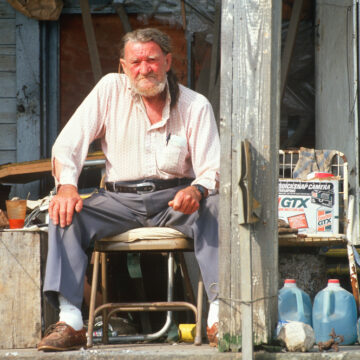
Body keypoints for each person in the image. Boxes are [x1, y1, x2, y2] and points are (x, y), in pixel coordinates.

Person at [37, 27, 220, 352]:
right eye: (135, 62)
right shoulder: (110, 89)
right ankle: (71, 321)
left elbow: (211, 167)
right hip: (118, 200)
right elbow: (67, 144)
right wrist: (67, 185)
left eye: (151, 60)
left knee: (218, 207)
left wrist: (198, 190)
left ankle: (220, 315)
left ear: (167, 61)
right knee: (64, 212)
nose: (144, 69)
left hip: (175, 201)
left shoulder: (195, 105)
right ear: (123, 66)